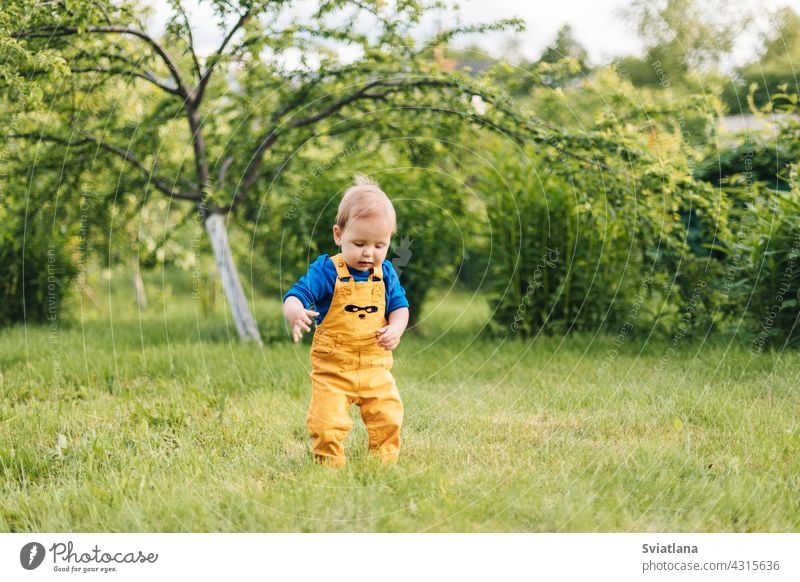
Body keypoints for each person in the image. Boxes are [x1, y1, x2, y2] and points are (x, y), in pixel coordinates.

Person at [283, 175, 410, 467]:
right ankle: (329, 463)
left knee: (388, 416)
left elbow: (400, 307)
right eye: (359, 243)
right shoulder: (327, 270)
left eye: (380, 245)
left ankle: (383, 461)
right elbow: (297, 294)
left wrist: (396, 328)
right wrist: (295, 311)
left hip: (375, 367)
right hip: (333, 369)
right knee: (326, 423)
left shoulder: (386, 272)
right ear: (339, 235)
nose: (369, 252)